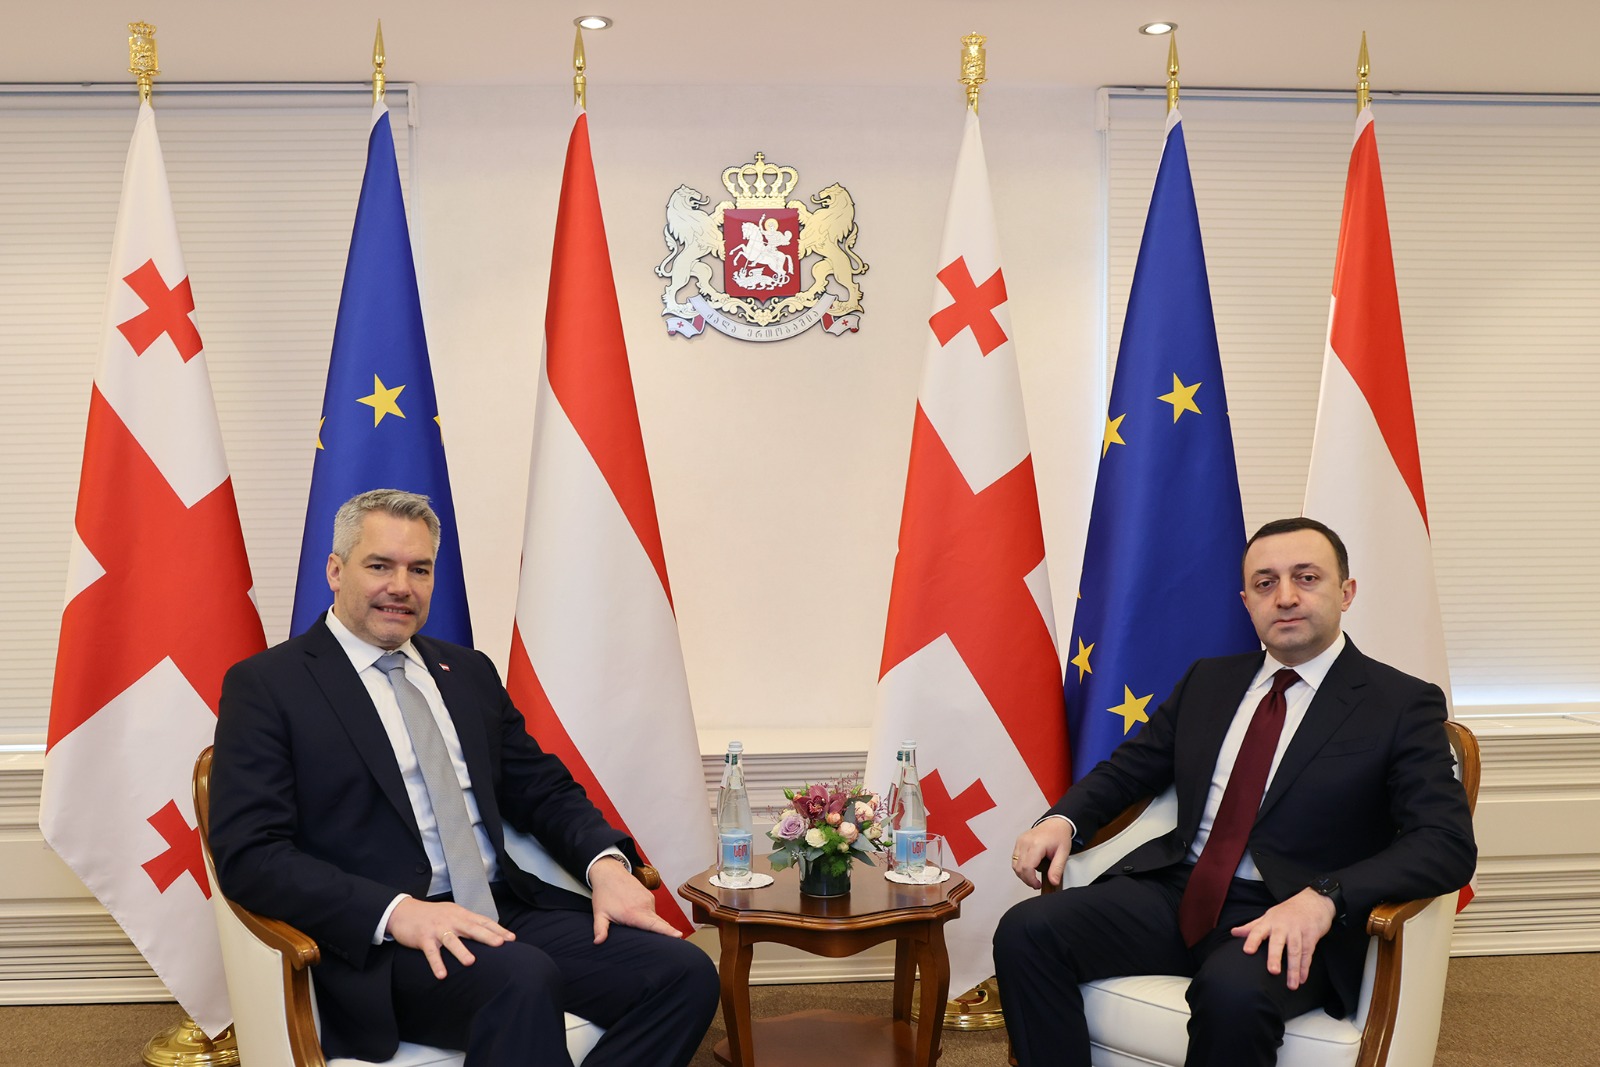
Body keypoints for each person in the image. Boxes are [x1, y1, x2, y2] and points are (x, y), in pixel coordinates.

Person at [209, 489, 718, 1067]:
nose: (401, 586)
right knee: (520, 979)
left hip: (503, 908)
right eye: (379, 566)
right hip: (387, 942)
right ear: (335, 570)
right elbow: (252, 855)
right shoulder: (268, 686)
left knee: (684, 973)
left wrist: (605, 866)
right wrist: (397, 911)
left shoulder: (467, 672)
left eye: (419, 569)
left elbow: (542, 789)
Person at [994, 517, 1476, 1067]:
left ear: (1346, 592)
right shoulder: (1209, 681)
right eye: (1266, 583)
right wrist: (1063, 820)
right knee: (1027, 930)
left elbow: (1445, 843)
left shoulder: (1400, 703)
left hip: (1290, 909)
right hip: (1179, 892)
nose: (1286, 597)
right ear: (1247, 602)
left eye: (1307, 577)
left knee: (1231, 995)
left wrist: (1325, 896)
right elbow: (1129, 771)